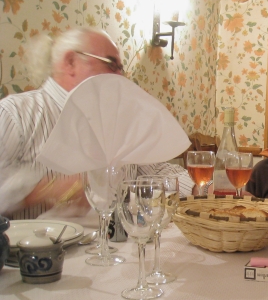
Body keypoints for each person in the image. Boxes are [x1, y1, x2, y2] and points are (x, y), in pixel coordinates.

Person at [0, 27, 197, 220]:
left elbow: (155, 172)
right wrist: (46, 189)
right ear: (71, 63)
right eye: (111, 64)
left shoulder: (117, 121)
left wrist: (200, 186)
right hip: (37, 251)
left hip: (116, 248)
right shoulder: (15, 114)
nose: (120, 77)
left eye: (121, 68)